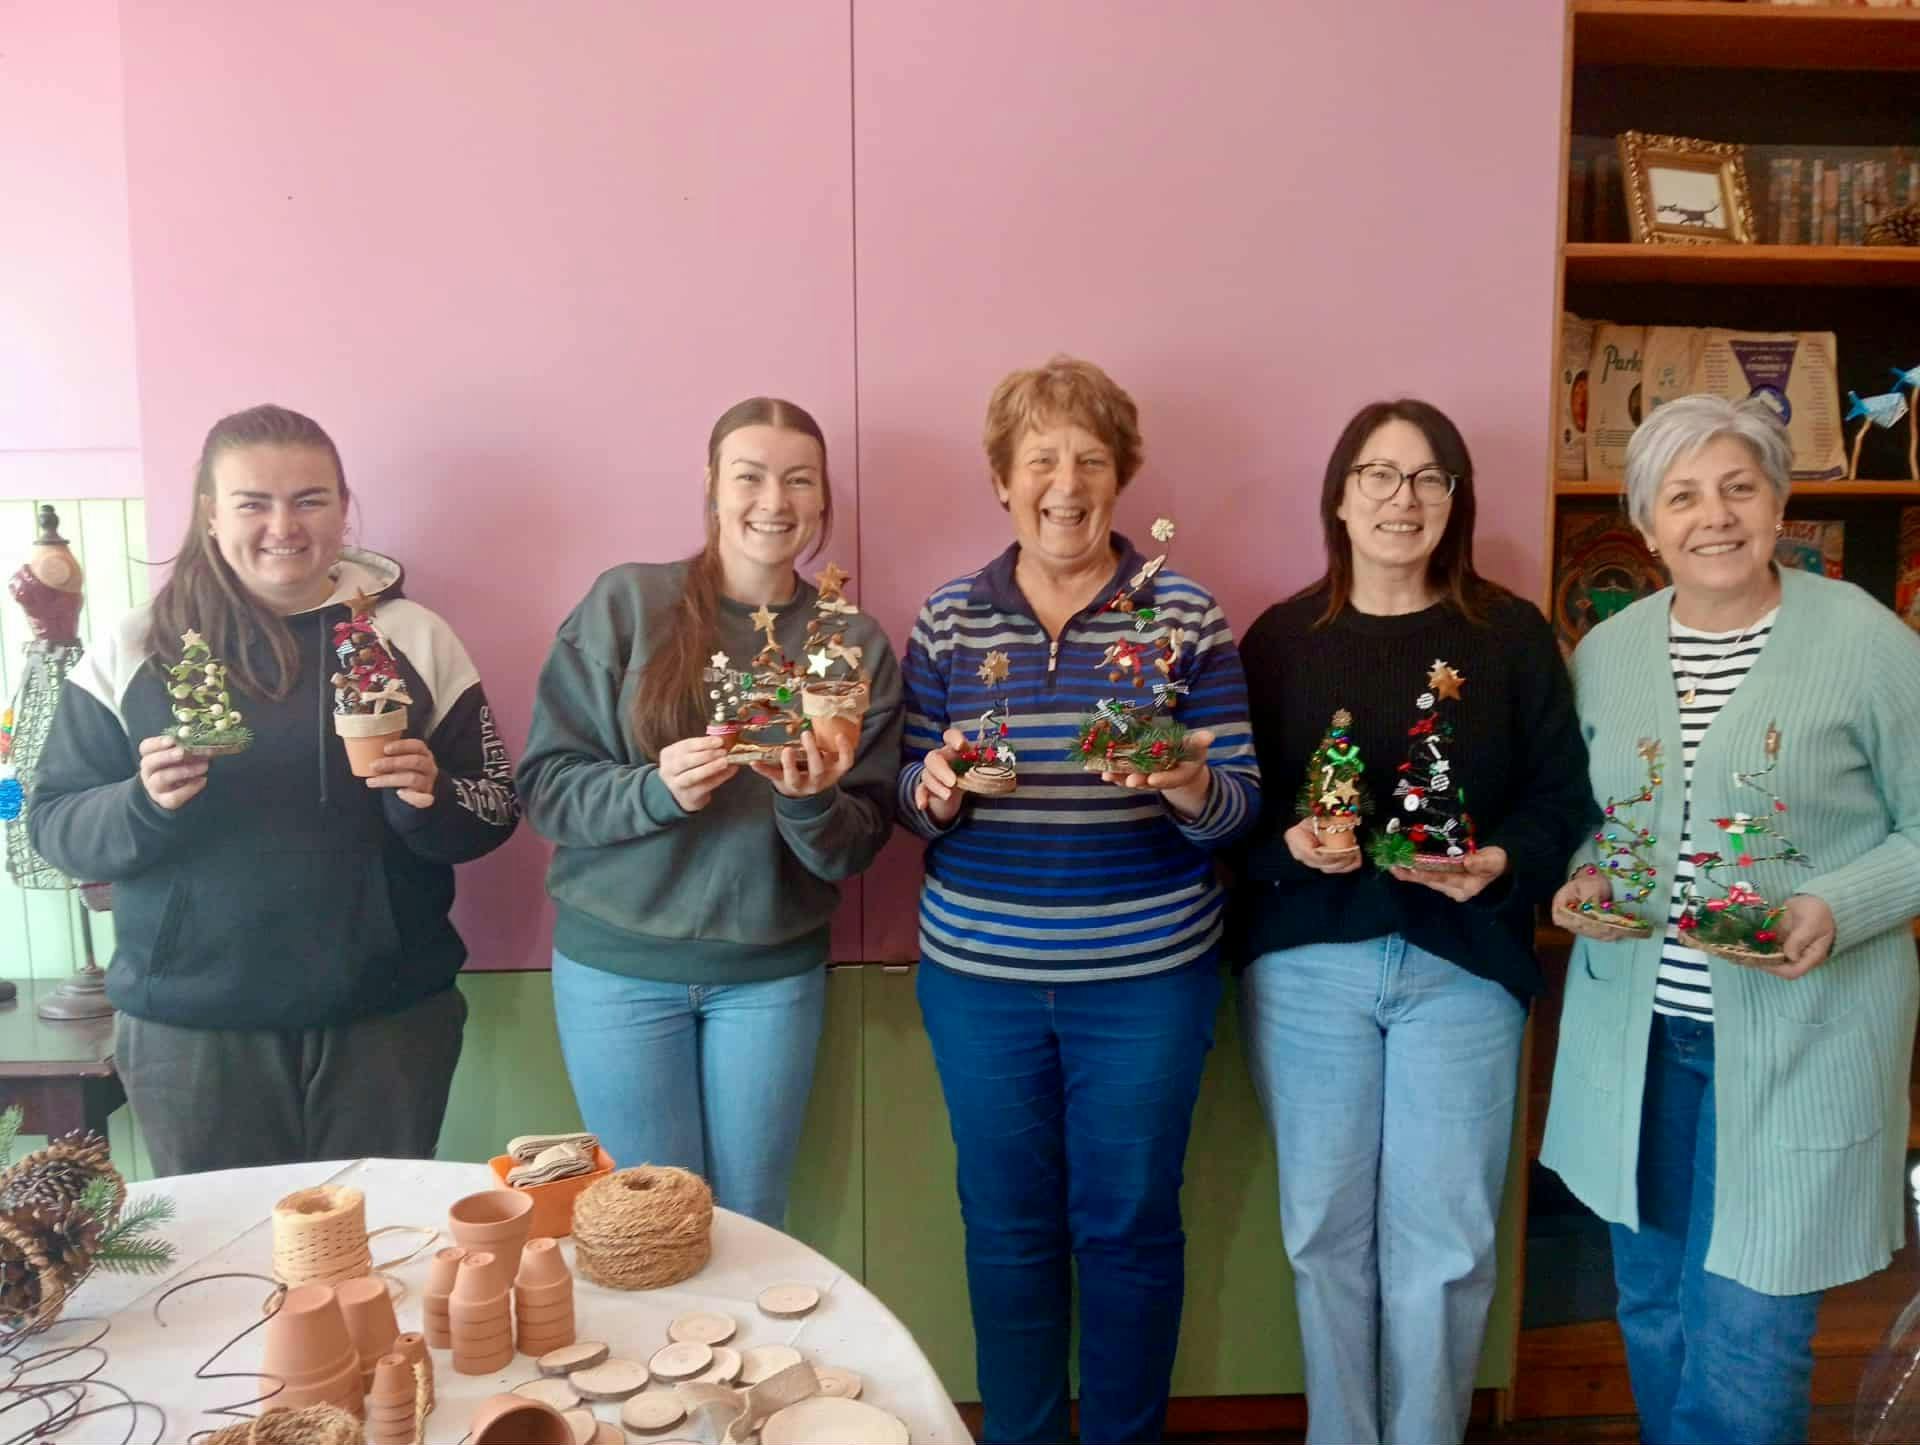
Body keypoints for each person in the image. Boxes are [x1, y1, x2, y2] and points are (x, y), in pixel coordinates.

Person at [1543, 395, 1920, 1445]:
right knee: (1654, 1308)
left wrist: (1834, 905)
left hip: (1804, 1037)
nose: (1715, 516)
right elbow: (1596, 822)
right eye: (1684, 495)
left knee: (1748, 1329)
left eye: (1738, 487)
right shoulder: (1606, 654)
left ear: (1777, 503)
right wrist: (1580, 884)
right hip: (1640, 1044)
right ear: (1648, 525)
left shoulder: (1867, 640)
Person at [898, 356, 1260, 1445]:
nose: (1066, 481)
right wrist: (938, 787)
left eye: (1092, 459)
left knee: (1131, 1231)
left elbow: (1238, 808)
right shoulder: (951, 618)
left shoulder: (1187, 614)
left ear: (1124, 479)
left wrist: (1188, 779)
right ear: (1003, 480)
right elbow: (912, 802)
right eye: (1041, 458)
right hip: (980, 984)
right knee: (1006, 1231)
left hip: (1148, 984)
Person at [29, 403, 519, 1174]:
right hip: (192, 1031)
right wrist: (142, 804)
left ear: (344, 507)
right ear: (211, 515)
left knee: (371, 1265)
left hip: (387, 1019)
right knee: (218, 1277)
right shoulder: (138, 644)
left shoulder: (415, 637)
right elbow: (53, 822)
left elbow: (496, 805)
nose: (283, 526)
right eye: (253, 502)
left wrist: (428, 796)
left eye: (310, 499)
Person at [1233, 399, 1593, 1445]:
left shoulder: (1511, 634)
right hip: (1308, 970)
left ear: (1457, 500)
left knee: (1445, 1245)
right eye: (1381, 475)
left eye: (1430, 477)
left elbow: (1561, 799)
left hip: (1464, 968)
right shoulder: (1281, 640)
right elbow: (1231, 819)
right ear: (1340, 496)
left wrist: (1500, 861)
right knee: (1323, 1238)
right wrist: (1290, 849)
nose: (1405, 498)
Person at [517, 396, 901, 1227]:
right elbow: (545, 784)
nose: (775, 501)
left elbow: (856, 843)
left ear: (824, 499)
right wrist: (653, 789)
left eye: (799, 479)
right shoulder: (627, 604)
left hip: (769, 973)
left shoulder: (853, 643)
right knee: (651, 1228)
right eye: (751, 476)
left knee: (755, 1223)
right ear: (711, 486)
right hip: (616, 970)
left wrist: (806, 804)